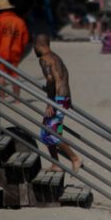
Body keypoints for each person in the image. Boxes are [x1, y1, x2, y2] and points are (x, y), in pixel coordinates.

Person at [34, 34, 81, 173]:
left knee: (48, 134)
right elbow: (64, 78)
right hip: (64, 99)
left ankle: (74, 158)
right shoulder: (56, 58)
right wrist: (67, 101)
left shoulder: (44, 59)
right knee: (47, 130)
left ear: (38, 45)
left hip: (57, 100)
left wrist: (50, 103)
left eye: (34, 47)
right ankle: (55, 164)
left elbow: (50, 80)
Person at [0, 0, 30, 101]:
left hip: (0, 52)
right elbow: (25, 39)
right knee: (14, 74)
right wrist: (20, 50)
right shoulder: (20, 21)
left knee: (1, 74)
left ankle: (2, 97)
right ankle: (17, 98)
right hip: (15, 52)